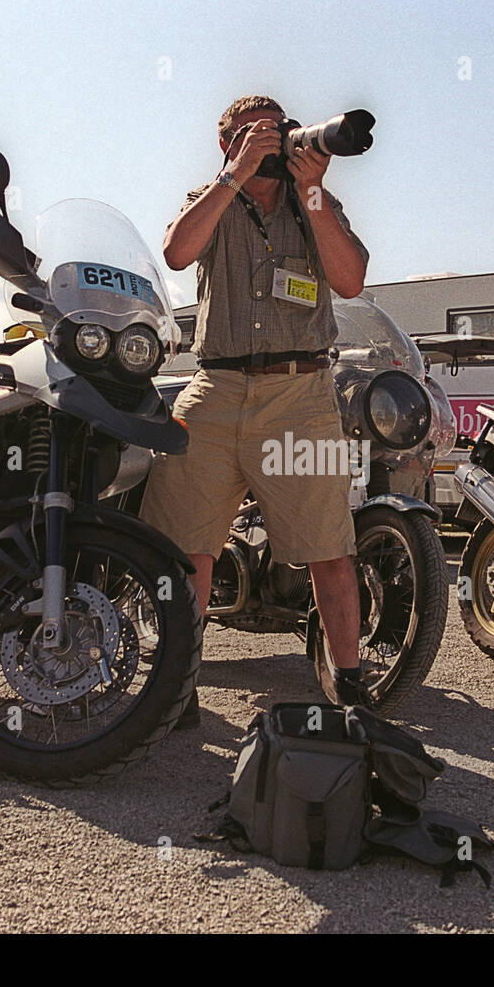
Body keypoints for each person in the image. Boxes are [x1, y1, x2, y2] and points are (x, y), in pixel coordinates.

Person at [140, 94, 372, 728]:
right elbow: (177, 252)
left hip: (302, 392)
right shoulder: (209, 195)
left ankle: (349, 682)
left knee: (330, 545)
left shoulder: (314, 201)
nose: (272, 144)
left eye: (279, 133)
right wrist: (234, 175)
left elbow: (350, 281)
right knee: (186, 547)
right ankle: (178, 683)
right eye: (254, 136)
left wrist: (316, 192)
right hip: (215, 389)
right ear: (228, 144)